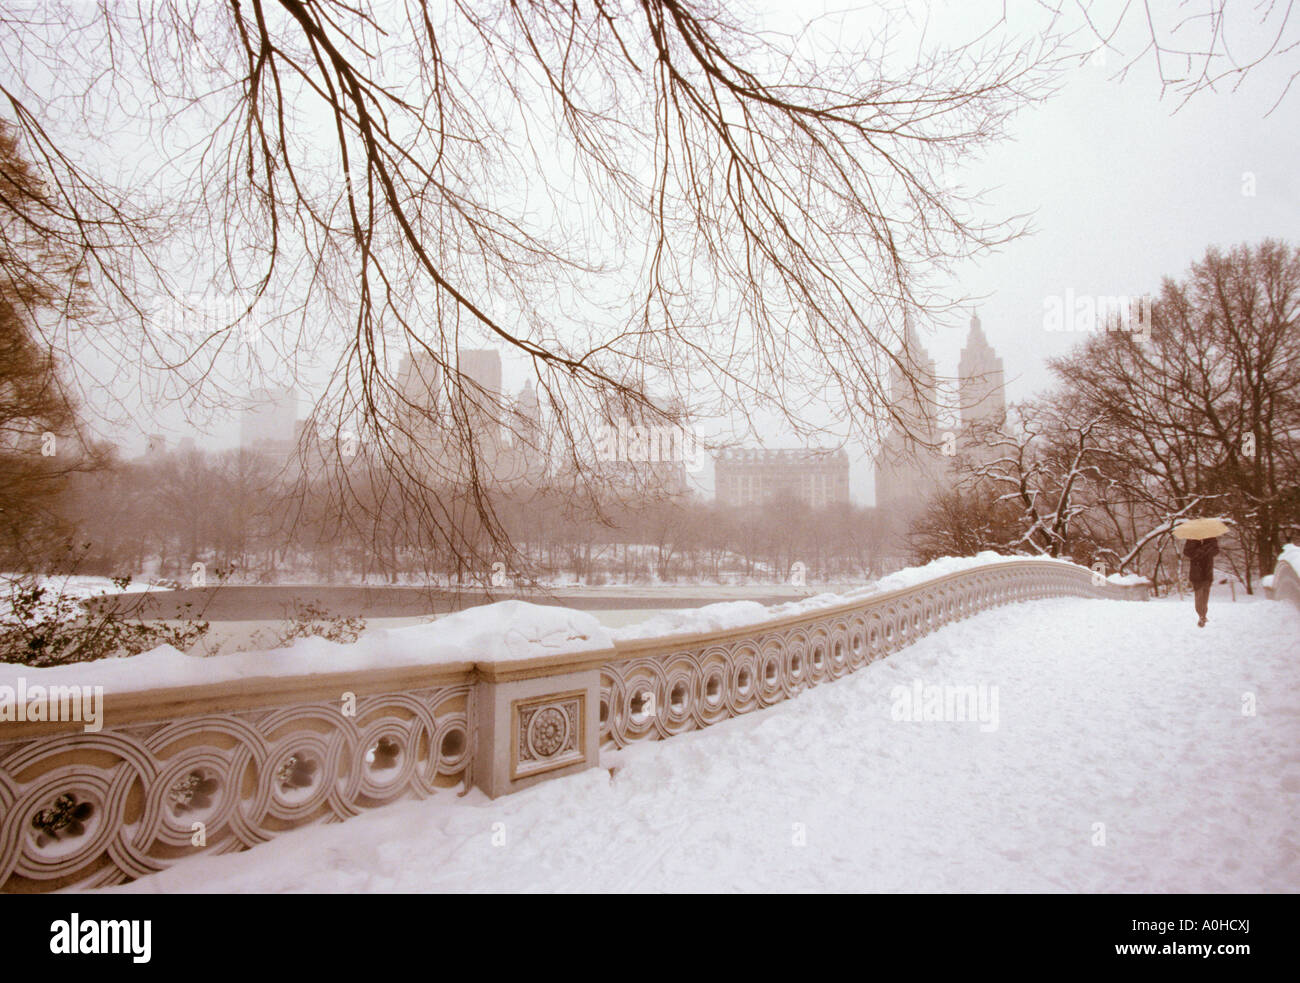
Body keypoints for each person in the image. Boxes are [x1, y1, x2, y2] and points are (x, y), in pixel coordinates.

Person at [1183, 536, 1219, 627]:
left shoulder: (1211, 537)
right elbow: (1187, 552)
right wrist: (1201, 549)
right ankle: (1201, 615)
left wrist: (1205, 547)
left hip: (1207, 572)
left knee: (1205, 595)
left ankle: (1203, 615)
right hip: (1197, 573)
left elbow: (1216, 550)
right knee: (1199, 595)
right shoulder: (1191, 538)